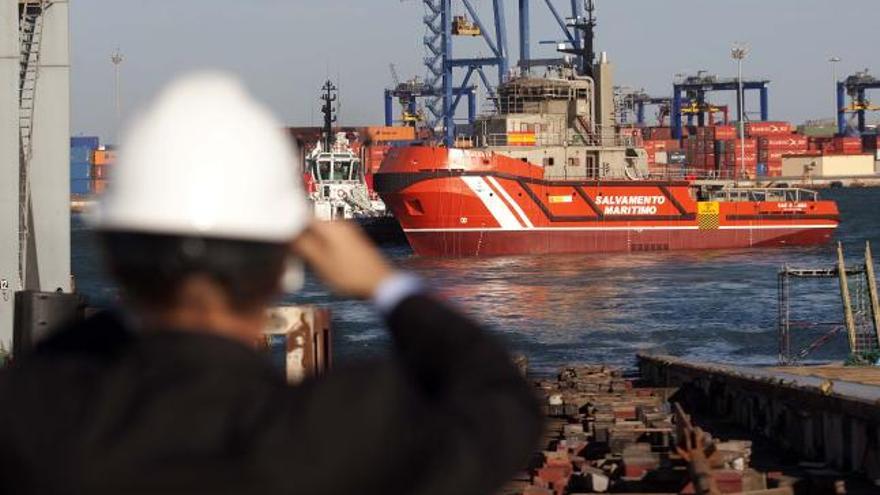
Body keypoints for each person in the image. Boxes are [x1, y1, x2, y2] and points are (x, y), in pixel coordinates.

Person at [0, 74, 542, 494]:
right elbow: (500, 406)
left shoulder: (38, 424)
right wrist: (387, 287)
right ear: (285, 263)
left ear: (117, 262)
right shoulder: (338, 436)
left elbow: (43, 375)